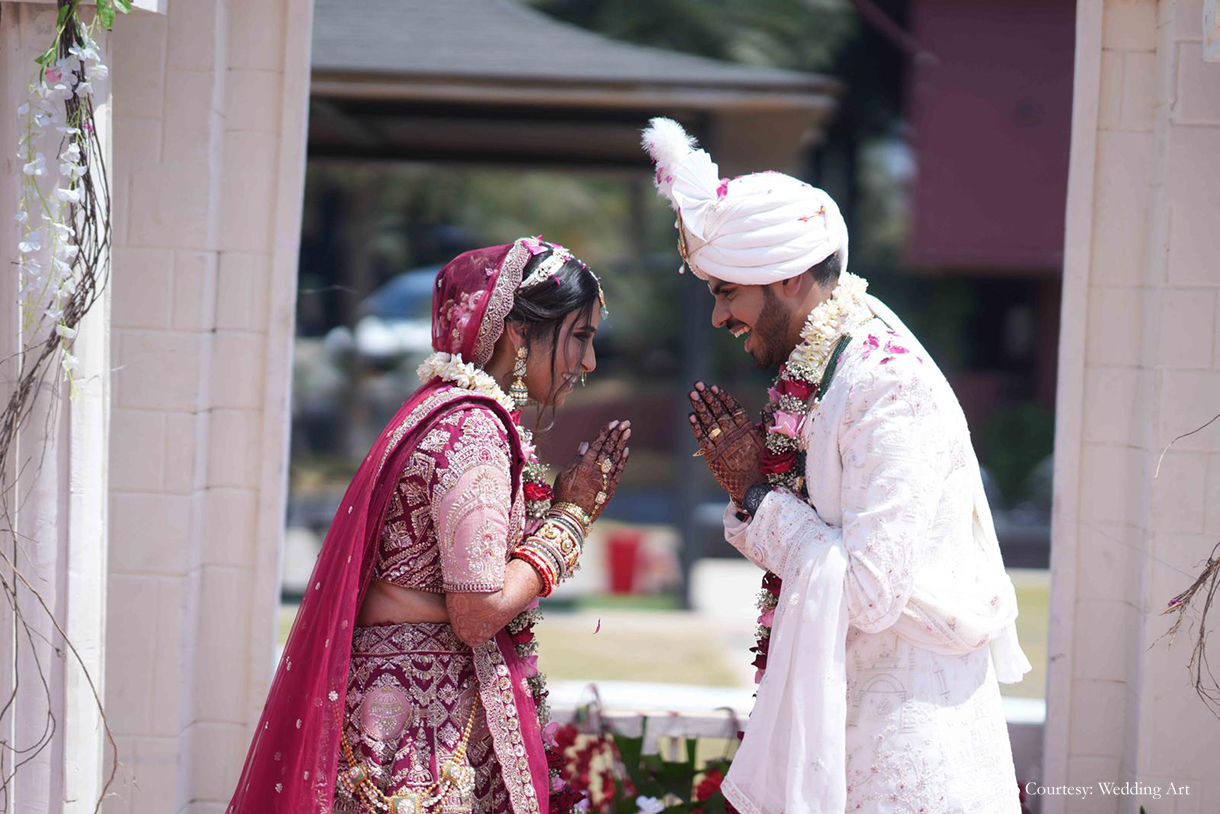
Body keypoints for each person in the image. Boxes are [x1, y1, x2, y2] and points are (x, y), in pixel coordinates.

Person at [642, 118, 1031, 813]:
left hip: (905, 743)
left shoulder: (886, 384)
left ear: (787, 278)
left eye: (726, 291)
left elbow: (872, 592)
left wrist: (759, 495)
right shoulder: (832, 372)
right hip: (847, 722)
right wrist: (763, 492)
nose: (717, 317)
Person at [227, 237, 630, 814]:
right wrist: (569, 521)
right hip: (415, 734)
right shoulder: (474, 432)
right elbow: (478, 610)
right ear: (519, 331)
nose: (589, 363)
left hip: (396, 705)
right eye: (580, 337)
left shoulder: (432, 411)